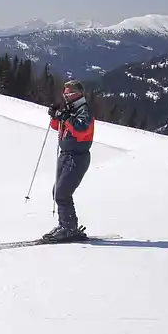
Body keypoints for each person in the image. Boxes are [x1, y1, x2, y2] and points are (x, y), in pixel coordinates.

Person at [44, 80, 95, 242]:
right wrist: (55, 116)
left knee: (62, 192)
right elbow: (58, 127)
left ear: (77, 94)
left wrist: (65, 118)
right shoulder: (71, 108)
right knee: (58, 191)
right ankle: (66, 225)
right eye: (64, 93)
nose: (65, 96)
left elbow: (81, 130)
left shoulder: (83, 110)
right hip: (66, 154)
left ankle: (68, 228)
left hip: (77, 156)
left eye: (68, 93)